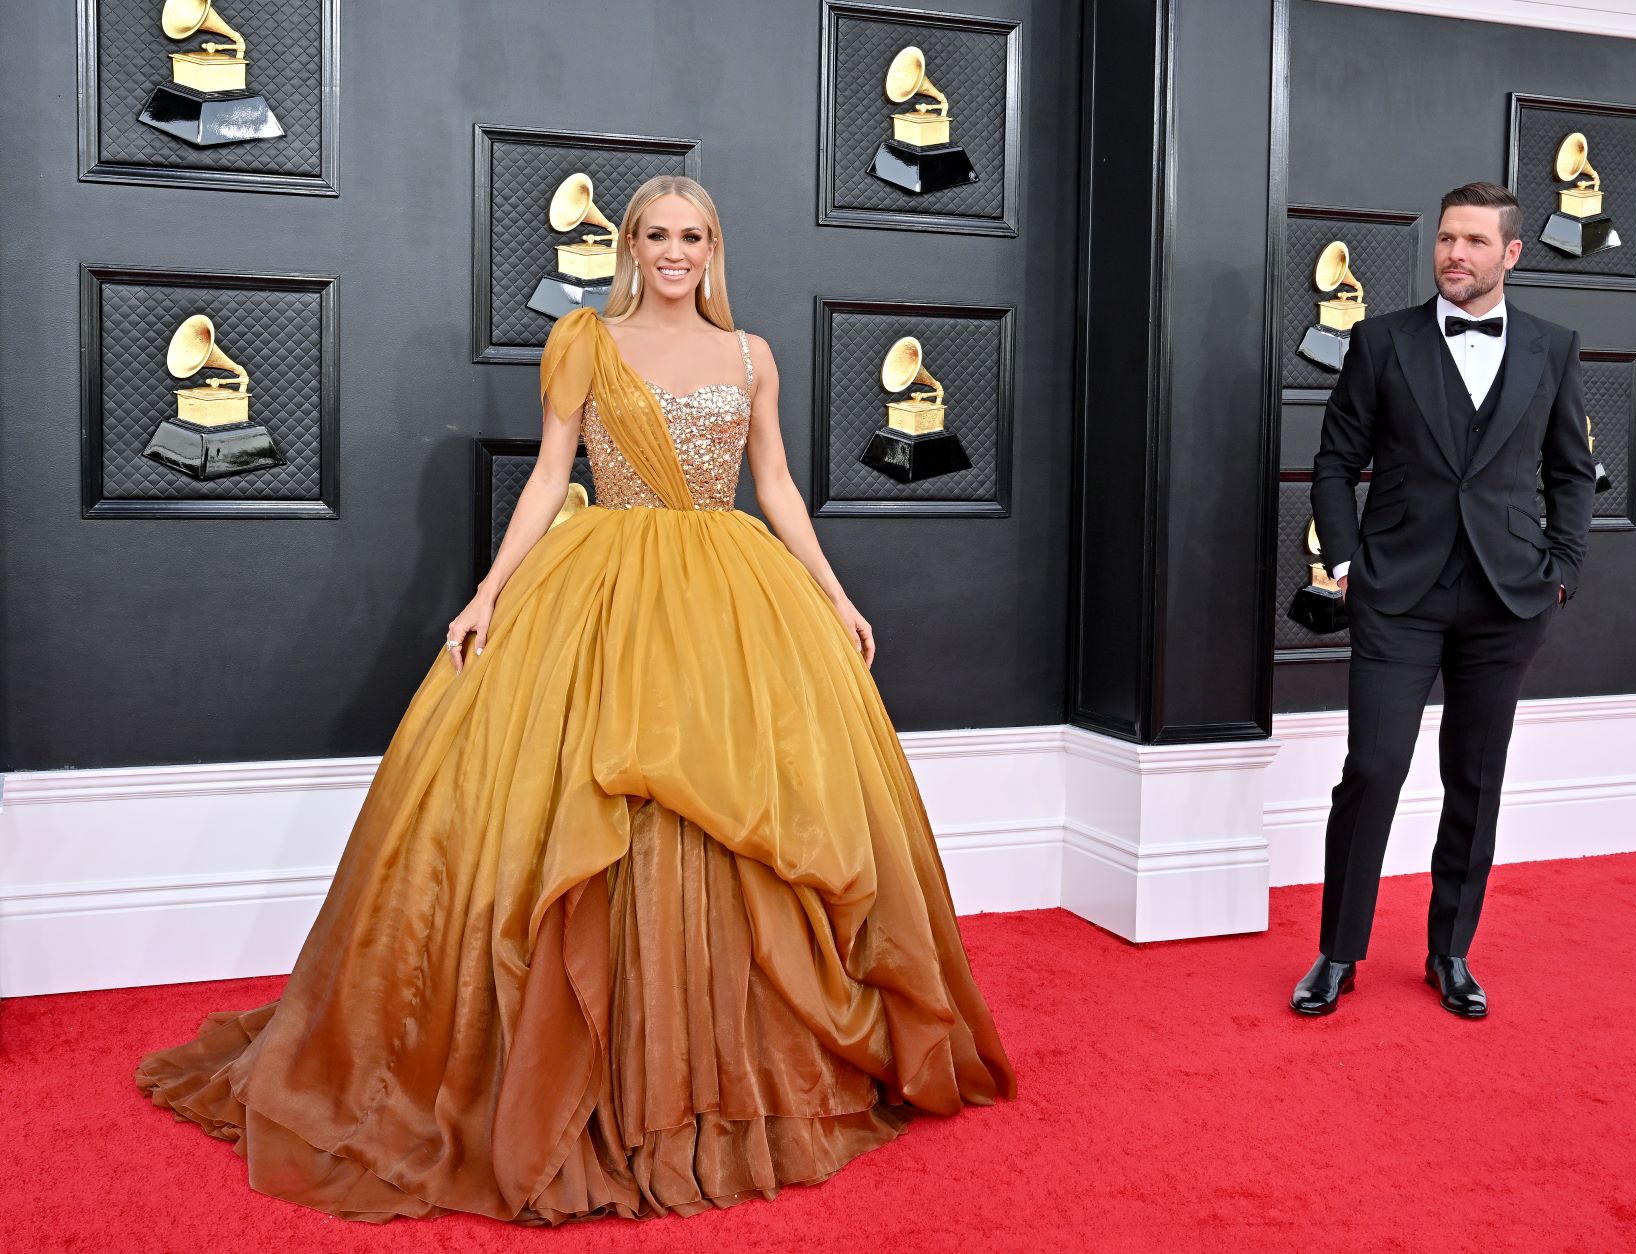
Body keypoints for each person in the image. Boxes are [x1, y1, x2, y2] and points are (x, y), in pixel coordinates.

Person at [136, 175, 1016, 1223]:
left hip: (734, 593)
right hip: (601, 588)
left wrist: (833, 591)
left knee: (742, 808)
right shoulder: (583, 345)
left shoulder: (754, 356)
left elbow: (775, 482)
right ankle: (603, 1071)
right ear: (630, 246)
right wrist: (487, 593)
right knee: (600, 805)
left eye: (693, 236)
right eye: (656, 236)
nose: (675, 252)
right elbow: (552, 476)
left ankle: (733, 1070)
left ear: (713, 246)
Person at [1290, 181, 1595, 1019]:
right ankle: (1338, 953)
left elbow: (1571, 471)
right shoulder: (1382, 341)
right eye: (1445, 239)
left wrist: (1562, 566)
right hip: (1398, 591)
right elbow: (1331, 463)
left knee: (1476, 777)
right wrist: (1346, 561)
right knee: (1374, 769)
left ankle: (1449, 953)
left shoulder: (1553, 346)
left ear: (1512, 254)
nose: (1454, 253)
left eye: (1472, 241)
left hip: (1508, 597)